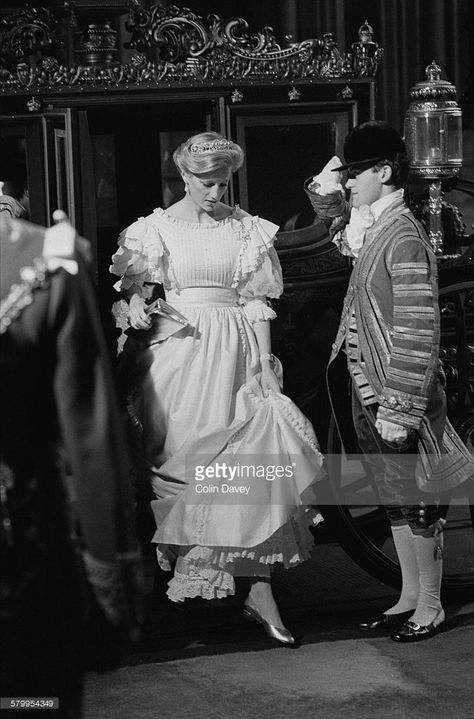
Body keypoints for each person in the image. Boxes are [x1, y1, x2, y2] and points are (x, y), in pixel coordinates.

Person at [110, 131, 323, 646]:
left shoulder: (247, 230)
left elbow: (255, 300)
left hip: (237, 354)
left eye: (223, 183)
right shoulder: (152, 230)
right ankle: (196, 582)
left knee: (249, 459)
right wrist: (133, 305)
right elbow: (131, 293)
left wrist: (266, 364)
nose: (215, 193)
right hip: (178, 356)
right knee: (185, 466)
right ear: (184, 176)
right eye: (206, 183)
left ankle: (258, 586)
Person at [305, 120, 474, 643]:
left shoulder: (402, 233)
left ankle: (430, 604)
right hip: (366, 386)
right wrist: (331, 187)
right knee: (395, 496)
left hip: (398, 393)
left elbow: (417, 326)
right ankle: (407, 595)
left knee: (420, 501)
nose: (348, 182)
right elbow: (337, 238)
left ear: (382, 171)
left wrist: (400, 404)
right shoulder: (376, 226)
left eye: (356, 173)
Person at [0, 211, 142, 718]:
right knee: (30, 702)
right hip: (22, 557)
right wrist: (112, 594)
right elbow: (89, 439)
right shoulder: (42, 263)